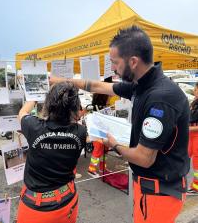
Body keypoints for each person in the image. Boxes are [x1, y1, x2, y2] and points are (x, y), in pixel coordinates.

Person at [50, 25, 190, 223]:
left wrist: (113, 144)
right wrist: (59, 81)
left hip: (159, 193)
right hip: (149, 187)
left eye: (115, 63)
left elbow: (144, 158)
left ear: (133, 61)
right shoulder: (141, 85)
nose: (113, 68)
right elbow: (98, 86)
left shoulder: (160, 98)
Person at [16, 81, 87, 223]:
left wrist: (34, 95)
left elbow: (22, 112)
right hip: (67, 199)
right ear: (74, 107)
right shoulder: (80, 132)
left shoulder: (34, 127)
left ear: (48, 104)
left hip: (36, 208)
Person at [188, 82, 198, 193]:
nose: (194, 92)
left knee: (196, 162)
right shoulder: (194, 102)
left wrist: (189, 129)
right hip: (191, 134)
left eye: (195, 90)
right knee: (187, 154)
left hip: (196, 135)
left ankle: (196, 187)